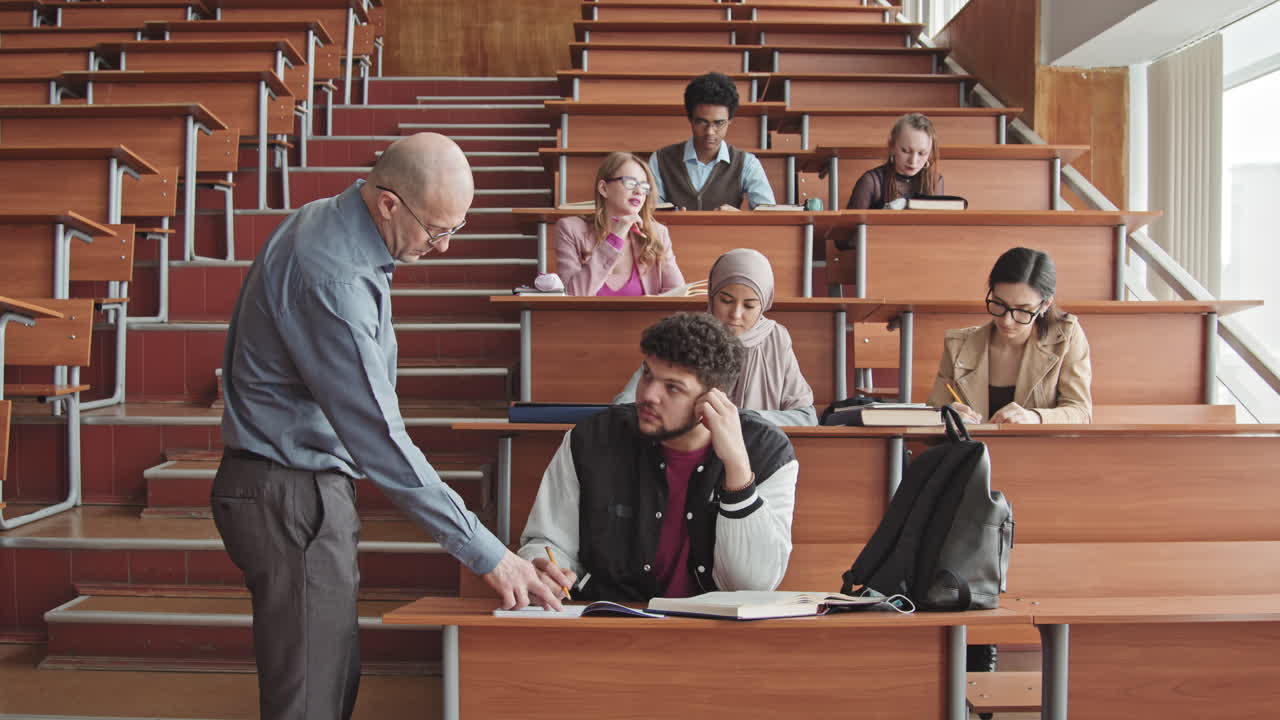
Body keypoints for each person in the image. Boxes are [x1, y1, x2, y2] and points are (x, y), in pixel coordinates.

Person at [214, 133, 565, 720]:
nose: (446, 248)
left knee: (328, 684)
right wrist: (489, 555)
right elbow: (379, 439)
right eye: (438, 231)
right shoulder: (335, 278)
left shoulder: (331, 224)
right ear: (388, 204)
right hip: (291, 494)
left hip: (292, 487)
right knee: (310, 703)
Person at [518, 312, 799, 602]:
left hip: (718, 637)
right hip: (610, 625)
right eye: (647, 374)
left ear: (714, 399)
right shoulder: (591, 439)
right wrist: (545, 567)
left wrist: (737, 469)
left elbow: (751, 585)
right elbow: (548, 542)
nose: (649, 394)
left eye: (672, 387)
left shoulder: (767, 452)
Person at [613, 248, 818, 426]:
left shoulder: (776, 339)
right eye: (726, 300)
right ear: (711, 294)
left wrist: (740, 419)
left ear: (764, 304)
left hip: (756, 449)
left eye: (749, 305)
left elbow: (805, 417)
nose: (736, 314)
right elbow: (623, 406)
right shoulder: (688, 334)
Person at [927, 247, 1093, 424]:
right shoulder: (958, 345)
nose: (1006, 321)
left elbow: (1081, 413)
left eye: (1023, 310)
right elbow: (931, 419)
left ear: (1045, 305)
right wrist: (944, 416)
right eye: (999, 304)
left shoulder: (1066, 337)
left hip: (1038, 450)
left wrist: (1034, 417)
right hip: (971, 451)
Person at [554, 151, 685, 296]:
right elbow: (574, 294)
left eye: (644, 186)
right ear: (603, 188)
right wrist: (615, 238)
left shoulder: (658, 233)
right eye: (630, 183)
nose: (638, 191)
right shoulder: (570, 229)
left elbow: (678, 294)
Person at [649, 71, 777, 211]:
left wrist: (739, 217)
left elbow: (768, 215)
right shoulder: (661, 160)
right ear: (690, 120)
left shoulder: (746, 163)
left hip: (729, 233)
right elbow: (648, 214)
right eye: (702, 122)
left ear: (730, 121)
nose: (710, 131)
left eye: (719, 123)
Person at [846, 112, 945, 209]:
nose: (913, 161)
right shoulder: (871, 181)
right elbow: (850, 224)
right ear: (892, 146)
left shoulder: (935, 181)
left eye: (922, 153)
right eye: (905, 151)